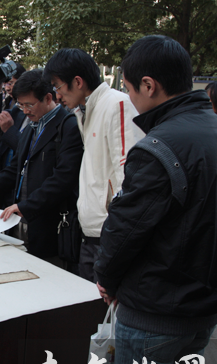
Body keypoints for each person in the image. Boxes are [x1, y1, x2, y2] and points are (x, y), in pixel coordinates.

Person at [94, 35, 217, 364]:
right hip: (203, 310)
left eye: (130, 89)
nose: (130, 98)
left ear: (149, 85)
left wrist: (106, 278)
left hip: (154, 311)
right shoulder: (211, 129)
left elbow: (125, 229)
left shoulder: (157, 147)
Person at [0, 69, 83, 265]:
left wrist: (27, 206)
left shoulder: (67, 126)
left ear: (48, 98)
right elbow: (14, 170)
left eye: (29, 105)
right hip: (20, 222)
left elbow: (63, 179)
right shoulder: (31, 127)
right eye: (21, 105)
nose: (25, 111)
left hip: (49, 226)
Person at [44, 48, 144, 282]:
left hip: (108, 234)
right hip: (91, 232)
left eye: (58, 86)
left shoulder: (116, 104)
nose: (57, 95)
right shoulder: (84, 111)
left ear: (78, 82)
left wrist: (117, 230)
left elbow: (129, 175)